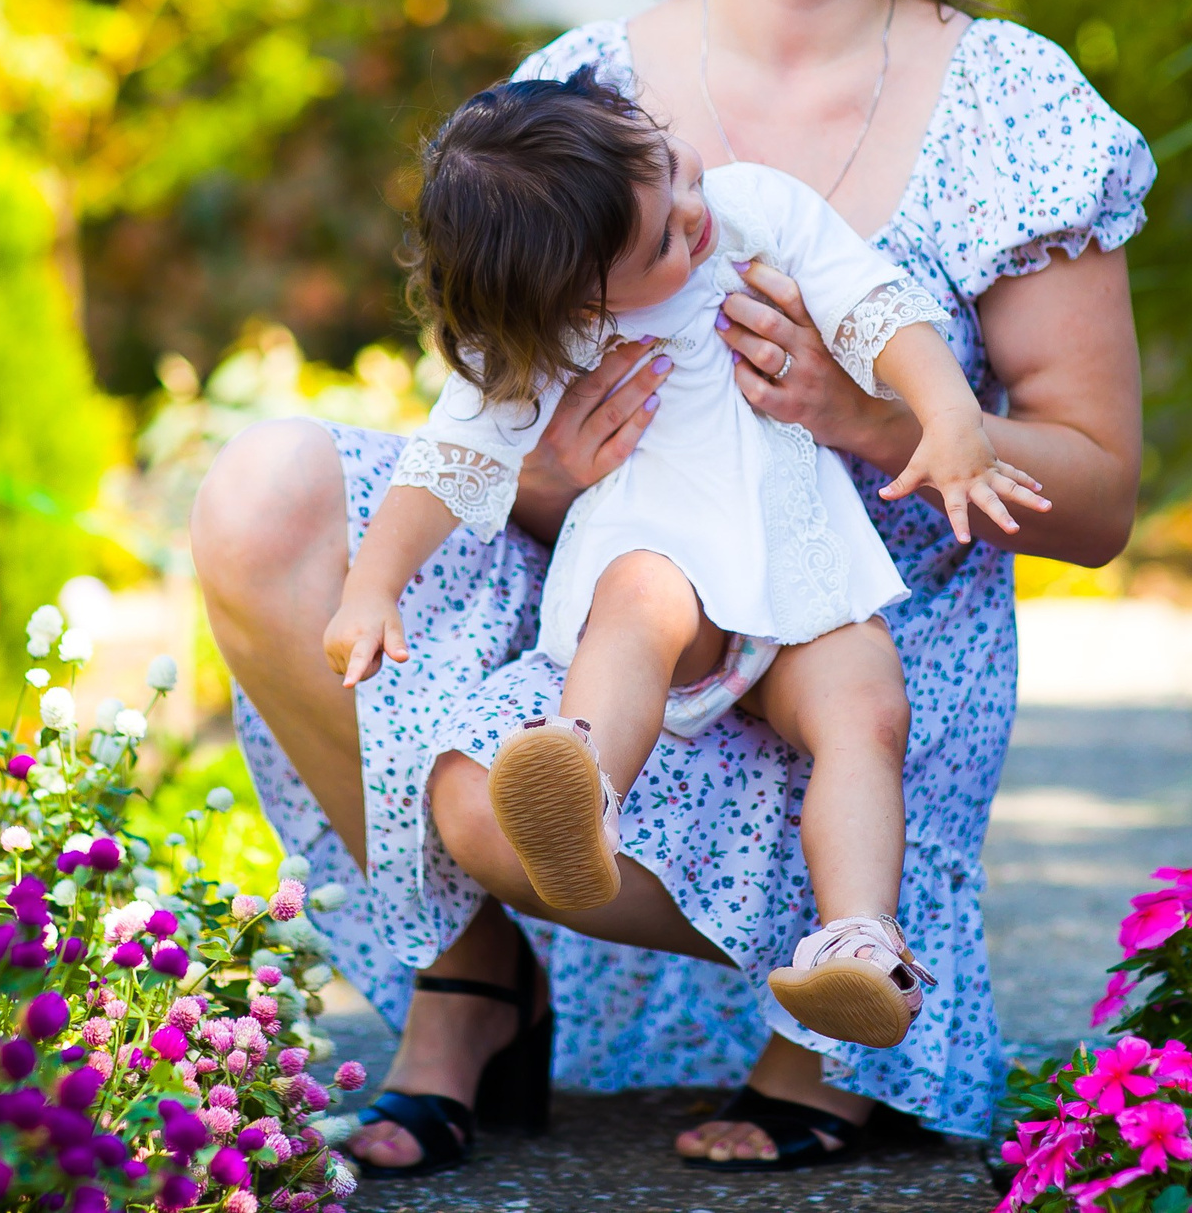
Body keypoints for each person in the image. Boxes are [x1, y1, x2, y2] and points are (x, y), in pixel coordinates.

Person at [193, 0, 1152, 1175]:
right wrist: (554, 474)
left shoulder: (1015, 103)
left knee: (528, 803)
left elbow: (1101, 500)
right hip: (625, 610)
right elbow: (493, 419)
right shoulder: (581, 90)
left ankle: (831, 982)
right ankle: (471, 984)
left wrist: (871, 415)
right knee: (262, 492)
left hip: (852, 659)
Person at [325, 72, 1047, 1057]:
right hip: (659, 555)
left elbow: (874, 307)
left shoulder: (755, 211)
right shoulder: (563, 332)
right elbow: (450, 460)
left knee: (867, 707)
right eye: (661, 240)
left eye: (675, 171)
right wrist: (371, 585)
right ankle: (581, 789)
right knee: (642, 598)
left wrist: (950, 411)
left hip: (801, 564)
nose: (695, 217)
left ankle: (858, 943)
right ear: (583, 297)